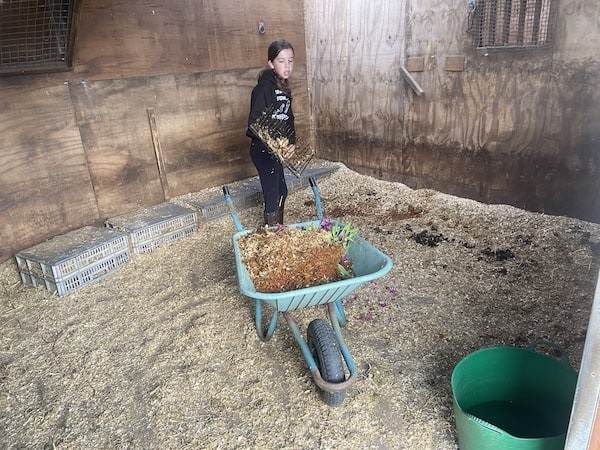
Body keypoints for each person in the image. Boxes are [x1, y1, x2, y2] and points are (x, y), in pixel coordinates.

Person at [247, 39, 296, 226]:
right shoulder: (264, 89)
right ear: (271, 63)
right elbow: (254, 123)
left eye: (290, 61)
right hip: (262, 149)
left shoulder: (284, 88)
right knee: (273, 192)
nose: (287, 66)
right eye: (281, 61)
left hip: (276, 150)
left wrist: (291, 142)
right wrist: (273, 143)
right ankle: (272, 233)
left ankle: (277, 228)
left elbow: (288, 118)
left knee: (282, 191)